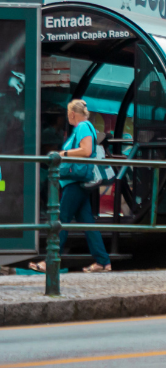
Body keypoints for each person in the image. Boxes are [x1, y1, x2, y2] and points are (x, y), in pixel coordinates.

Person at [30, 99, 112, 273]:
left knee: (61, 219)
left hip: (75, 181)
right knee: (88, 223)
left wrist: (62, 153)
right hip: (77, 181)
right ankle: (103, 262)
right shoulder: (85, 127)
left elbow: (87, 150)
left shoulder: (82, 127)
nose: (67, 117)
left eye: (68, 114)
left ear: (72, 114)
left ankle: (49, 261)